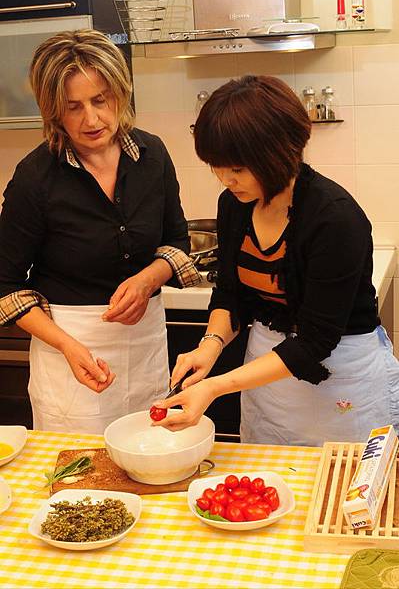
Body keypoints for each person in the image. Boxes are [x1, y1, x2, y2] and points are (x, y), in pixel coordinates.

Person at [152, 75, 399, 447]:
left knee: (340, 489)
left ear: (279, 154)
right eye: (217, 167)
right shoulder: (235, 205)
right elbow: (231, 294)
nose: (225, 180)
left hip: (341, 375)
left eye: (237, 169)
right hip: (267, 377)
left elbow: (315, 341)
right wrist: (210, 346)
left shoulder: (334, 218)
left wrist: (216, 386)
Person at [0, 29, 200, 434]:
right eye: (73, 107)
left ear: (120, 95)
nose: (91, 119)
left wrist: (147, 280)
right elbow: (4, 286)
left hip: (144, 348)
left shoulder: (152, 155)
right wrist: (67, 347)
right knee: (80, 480)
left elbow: (177, 242)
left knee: (147, 463)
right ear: (53, 111)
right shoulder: (35, 177)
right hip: (69, 355)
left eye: (100, 100)